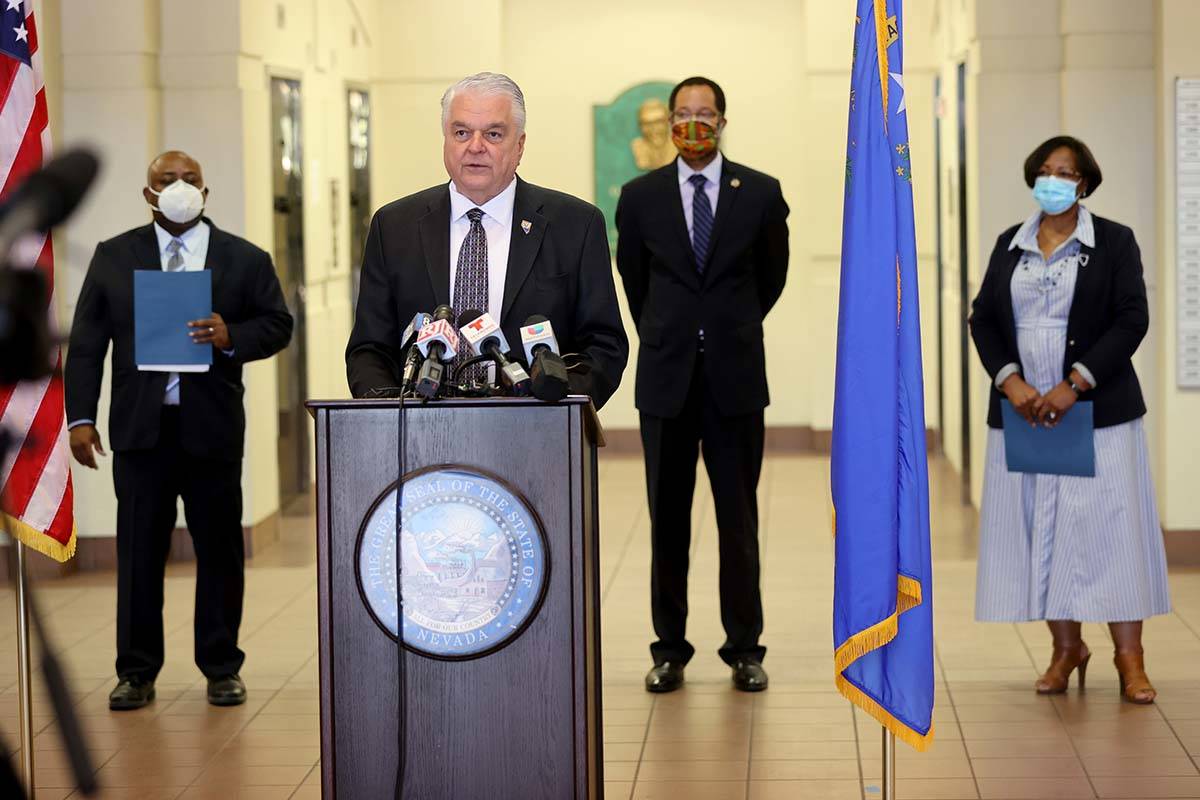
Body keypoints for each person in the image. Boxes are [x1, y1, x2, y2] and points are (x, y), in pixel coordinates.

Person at [65, 151, 293, 710]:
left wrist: (229, 335)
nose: (179, 187)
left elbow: (278, 325)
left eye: (190, 179)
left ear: (206, 192)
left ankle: (221, 666)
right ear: (149, 194)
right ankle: (136, 672)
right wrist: (81, 418)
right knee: (140, 553)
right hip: (142, 432)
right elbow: (88, 341)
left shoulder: (244, 259)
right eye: (167, 180)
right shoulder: (116, 257)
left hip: (211, 429)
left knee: (219, 550)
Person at [969, 136, 1170, 704]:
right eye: (1045, 171)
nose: (1054, 180)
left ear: (1084, 183)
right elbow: (983, 318)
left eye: (1067, 172)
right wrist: (1011, 381)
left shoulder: (1113, 242)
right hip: (1026, 411)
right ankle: (1066, 650)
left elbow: (1133, 319)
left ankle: (1130, 659)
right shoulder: (1012, 243)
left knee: (1112, 532)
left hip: (1097, 411)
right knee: (1044, 529)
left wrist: (1074, 382)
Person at [614, 76, 789, 693]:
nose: (694, 123)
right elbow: (635, 281)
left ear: (722, 120)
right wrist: (673, 334)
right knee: (668, 522)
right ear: (670, 121)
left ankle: (744, 648)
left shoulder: (761, 193)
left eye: (705, 113)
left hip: (736, 382)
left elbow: (771, 279)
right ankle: (669, 650)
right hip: (666, 384)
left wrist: (725, 331)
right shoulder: (639, 198)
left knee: (738, 521)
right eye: (682, 113)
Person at [346, 72, 628, 408]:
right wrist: (394, 416)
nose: (475, 147)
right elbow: (369, 350)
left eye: (493, 134)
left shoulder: (575, 225)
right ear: (446, 140)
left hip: (537, 435)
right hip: (420, 436)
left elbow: (603, 346)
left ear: (519, 145)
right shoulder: (393, 226)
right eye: (461, 132)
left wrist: (554, 409)